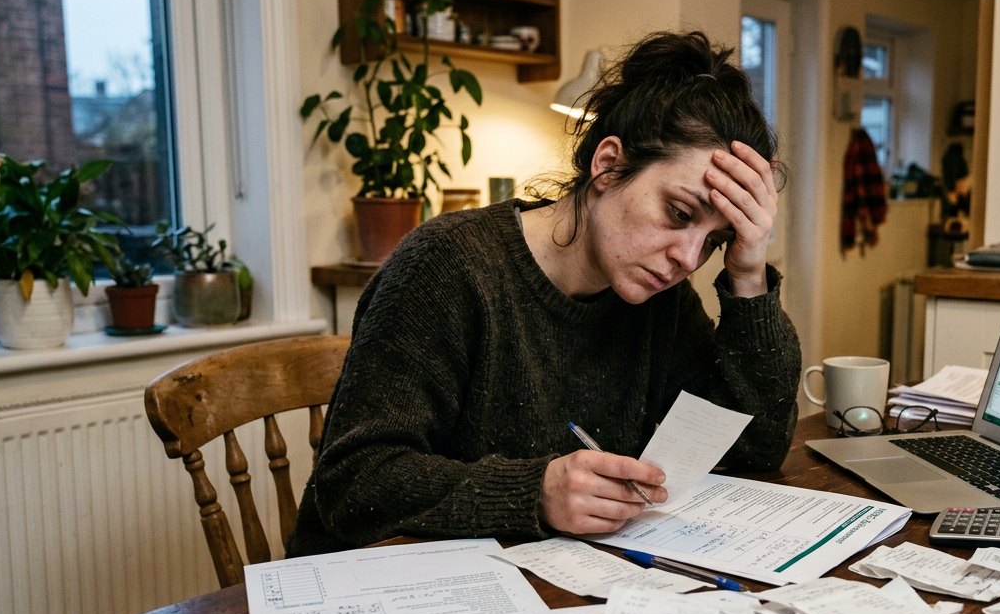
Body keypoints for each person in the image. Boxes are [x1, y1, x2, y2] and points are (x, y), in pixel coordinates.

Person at [286, 31, 802, 557]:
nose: (688, 260)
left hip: (539, 581)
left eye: (715, 241)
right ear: (608, 164)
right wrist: (535, 492)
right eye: (678, 213)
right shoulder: (447, 267)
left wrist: (749, 275)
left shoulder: (657, 299)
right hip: (375, 594)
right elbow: (353, 484)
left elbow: (752, 449)